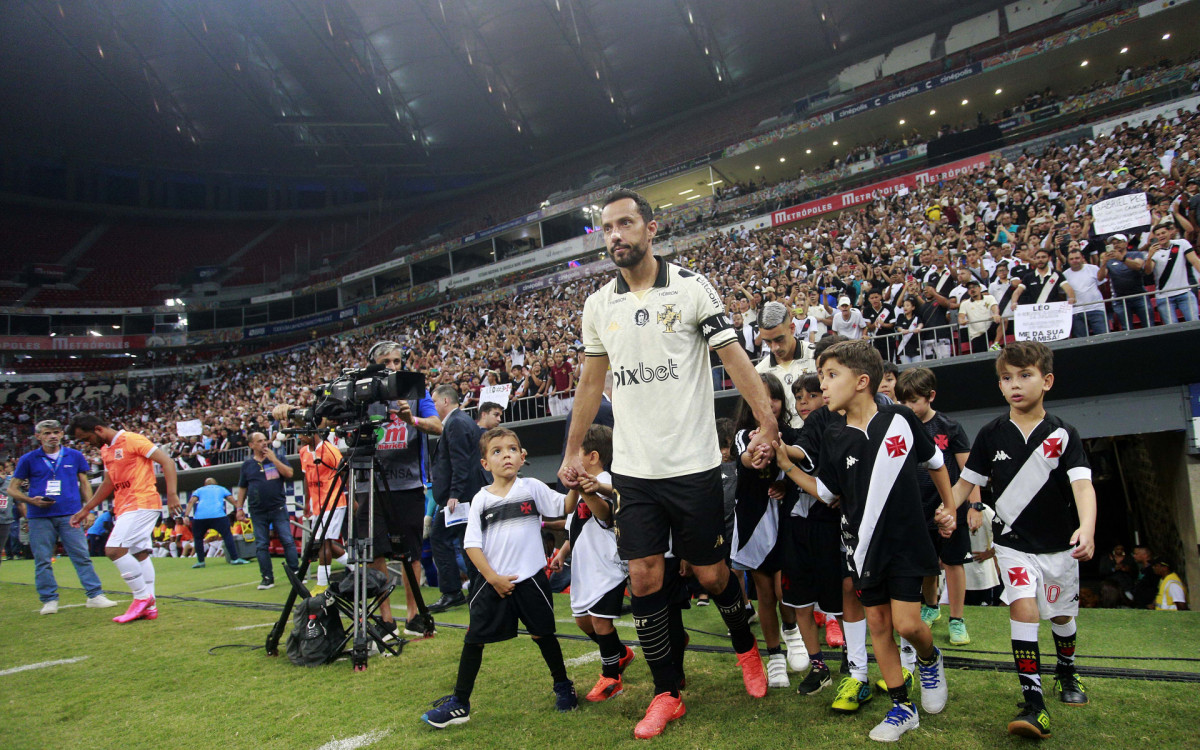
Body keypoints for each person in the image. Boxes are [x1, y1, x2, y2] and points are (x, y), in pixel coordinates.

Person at [561, 189, 779, 740]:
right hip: (635, 472)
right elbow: (590, 383)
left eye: (626, 223)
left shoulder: (689, 286)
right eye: (608, 227)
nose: (616, 235)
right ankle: (667, 692)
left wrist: (767, 423)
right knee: (643, 575)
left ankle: (745, 647)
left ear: (651, 229)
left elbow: (735, 358)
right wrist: (570, 449)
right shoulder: (597, 306)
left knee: (709, 573)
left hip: (694, 466)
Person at [774, 342, 953, 742]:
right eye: (821, 376)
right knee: (878, 625)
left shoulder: (901, 418)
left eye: (830, 375)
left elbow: (937, 463)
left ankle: (930, 658)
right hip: (861, 547)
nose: (823, 385)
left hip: (907, 542)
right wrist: (787, 467)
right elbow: (827, 492)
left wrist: (950, 507)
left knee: (908, 625)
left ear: (861, 381)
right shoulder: (834, 436)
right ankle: (902, 708)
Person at [951, 341, 1097, 739]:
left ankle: (1066, 671)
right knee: (1025, 609)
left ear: (1046, 380)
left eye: (1025, 375)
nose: (1014, 385)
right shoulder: (990, 434)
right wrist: (950, 508)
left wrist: (1087, 527)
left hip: (1059, 548)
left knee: (1062, 616)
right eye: (1006, 378)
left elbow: (1083, 487)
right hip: (1012, 545)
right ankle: (1034, 704)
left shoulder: (1065, 434)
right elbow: (968, 482)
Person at [420, 427, 577, 728]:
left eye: (512, 449)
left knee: (543, 635)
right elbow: (471, 545)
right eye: (497, 451)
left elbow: (566, 507)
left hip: (531, 579)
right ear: (485, 464)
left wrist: (576, 484)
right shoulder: (480, 499)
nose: (506, 454)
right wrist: (493, 578)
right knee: (474, 639)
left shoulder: (532, 487)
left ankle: (563, 686)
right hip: (493, 583)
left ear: (522, 457)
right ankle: (459, 703)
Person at [359, 341, 443, 635]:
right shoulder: (363, 394)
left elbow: (438, 426)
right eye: (385, 361)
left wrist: (412, 419)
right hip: (371, 483)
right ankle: (385, 618)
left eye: (397, 360)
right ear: (373, 365)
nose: (393, 366)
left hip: (409, 482)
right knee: (375, 551)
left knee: (412, 552)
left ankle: (413, 615)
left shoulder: (415, 390)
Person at [548, 425, 637, 702]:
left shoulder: (607, 482)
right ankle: (620, 653)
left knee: (600, 620)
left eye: (577, 453)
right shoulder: (580, 487)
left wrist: (587, 492)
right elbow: (579, 523)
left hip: (607, 565)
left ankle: (611, 678)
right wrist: (564, 550)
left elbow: (606, 515)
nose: (571, 458)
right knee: (582, 620)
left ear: (593, 457)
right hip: (584, 565)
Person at [69, 413, 180, 623]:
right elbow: (108, 483)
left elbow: (167, 461)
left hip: (141, 503)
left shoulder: (131, 439)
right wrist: (87, 509)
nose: (87, 444)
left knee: (113, 549)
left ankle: (141, 597)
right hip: (125, 506)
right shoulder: (105, 449)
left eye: (86, 438)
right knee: (139, 553)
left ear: (98, 430)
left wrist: (172, 494)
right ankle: (151, 606)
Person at [895, 368, 978, 648]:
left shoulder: (949, 426)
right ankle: (931, 606)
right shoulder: (899, 427)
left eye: (913, 401)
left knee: (954, 563)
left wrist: (973, 506)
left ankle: (957, 619)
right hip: (916, 511)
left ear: (930, 396)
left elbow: (970, 470)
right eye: (903, 402)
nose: (908, 407)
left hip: (949, 508)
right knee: (927, 566)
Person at [731, 374, 798, 690]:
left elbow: (801, 469)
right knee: (766, 595)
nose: (769, 403)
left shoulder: (793, 433)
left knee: (786, 589)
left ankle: (794, 635)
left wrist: (786, 484)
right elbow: (745, 456)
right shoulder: (744, 434)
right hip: (754, 521)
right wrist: (756, 456)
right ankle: (775, 658)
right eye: (761, 396)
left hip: (786, 520)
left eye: (775, 397)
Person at [7, 419, 117, 614]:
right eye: (48, 433)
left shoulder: (74, 456)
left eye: (57, 432)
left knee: (82, 556)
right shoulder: (28, 459)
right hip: (39, 516)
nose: (53, 436)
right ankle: (49, 600)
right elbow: (12, 489)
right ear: (38, 436)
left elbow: (84, 484)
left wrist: (89, 510)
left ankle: (95, 595)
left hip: (70, 514)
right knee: (42, 559)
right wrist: (32, 501)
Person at [783, 373, 844, 696]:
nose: (804, 400)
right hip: (797, 524)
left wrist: (779, 450)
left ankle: (853, 659)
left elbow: (800, 456)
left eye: (812, 393)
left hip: (830, 524)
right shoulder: (798, 430)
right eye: (798, 396)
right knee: (800, 601)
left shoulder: (833, 423)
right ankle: (819, 666)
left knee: (843, 599)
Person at [429, 384, 487, 613]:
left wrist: (454, 494)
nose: (432, 406)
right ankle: (474, 591)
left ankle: (454, 592)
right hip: (462, 496)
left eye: (434, 401)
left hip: (460, 498)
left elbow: (460, 462)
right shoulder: (459, 422)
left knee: (440, 538)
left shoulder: (456, 423)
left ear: (445, 401)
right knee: (467, 544)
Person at [234, 432, 298, 590]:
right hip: (257, 511)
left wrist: (274, 460)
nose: (264, 443)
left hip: (278, 508)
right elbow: (243, 487)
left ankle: (296, 574)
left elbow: (289, 473)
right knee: (261, 545)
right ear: (251, 445)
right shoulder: (247, 465)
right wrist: (239, 508)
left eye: (265, 440)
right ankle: (267, 578)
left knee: (287, 540)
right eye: (259, 441)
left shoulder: (277, 458)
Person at [296, 428, 351, 594]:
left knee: (323, 542)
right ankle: (357, 568)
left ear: (312, 433)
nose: (299, 437)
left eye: (302, 433)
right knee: (322, 541)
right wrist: (307, 502)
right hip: (317, 505)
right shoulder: (303, 452)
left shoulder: (330, 450)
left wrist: (352, 498)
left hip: (334, 501)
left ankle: (322, 583)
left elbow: (345, 472)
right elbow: (306, 478)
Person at [755, 300, 817, 427]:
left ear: (792, 328)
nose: (775, 347)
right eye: (768, 341)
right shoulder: (759, 371)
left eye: (779, 339)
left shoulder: (816, 356)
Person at [1143, 218, 1200, 324]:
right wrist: (1150, 255)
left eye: (1163, 233)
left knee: (1194, 324)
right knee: (1172, 328)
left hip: (1185, 292)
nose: (1161, 236)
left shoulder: (1182, 243)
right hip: (1164, 296)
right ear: (1155, 237)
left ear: (1170, 232)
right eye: (1158, 234)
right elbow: (1148, 271)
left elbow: (1195, 261)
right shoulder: (1153, 252)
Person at [185, 478, 247, 568]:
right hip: (218, 516)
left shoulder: (199, 490)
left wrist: (186, 516)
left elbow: (191, 502)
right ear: (216, 484)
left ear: (205, 484)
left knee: (198, 539)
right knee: (227, 536)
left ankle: (200, 562)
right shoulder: (221, 488)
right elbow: (232, 500)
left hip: (200, 517)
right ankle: (235, 559)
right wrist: (240, 510)